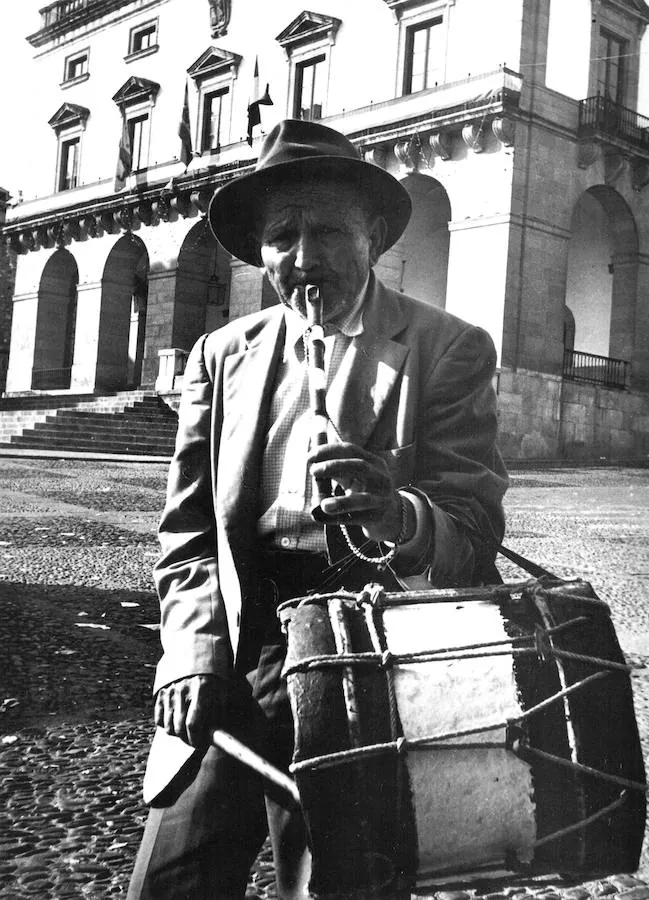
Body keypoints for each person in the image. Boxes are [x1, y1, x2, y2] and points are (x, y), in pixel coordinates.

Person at [127, 119, 508, 900]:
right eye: (281, 237)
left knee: (343, 884)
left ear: (371, 233)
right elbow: (190, 534)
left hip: (373, 658)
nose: (303, 260)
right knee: (172, 877)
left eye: (328, 231)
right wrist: (193, 654)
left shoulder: (447, 347)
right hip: (242, 652)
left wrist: (395, 515)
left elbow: (471, 538)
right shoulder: (221, 355)